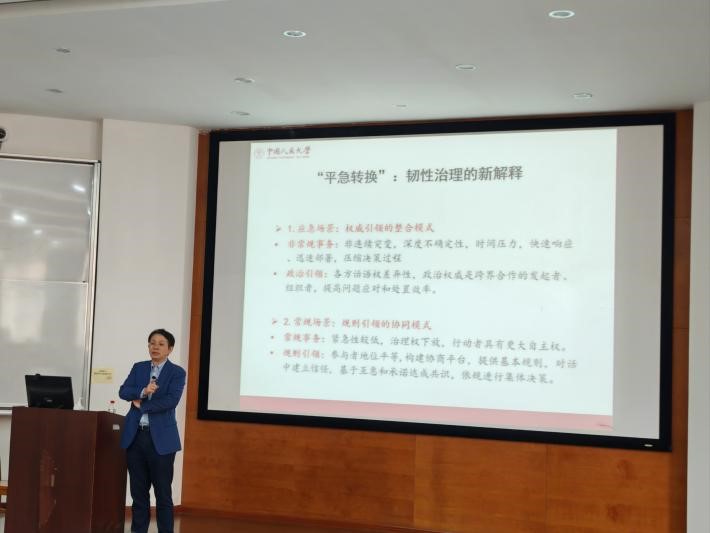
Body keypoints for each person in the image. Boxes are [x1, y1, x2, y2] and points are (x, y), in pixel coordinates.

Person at [119, 328, 186, 533]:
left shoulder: (177, 372)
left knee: (163, 494)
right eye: (152, 343)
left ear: (170, 349)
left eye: (161, 344)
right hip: (135, 437)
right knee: (138, 494)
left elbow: (171, 401)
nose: (155, 347)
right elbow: (124, 391)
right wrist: (143, 391)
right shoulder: (139, 367)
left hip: (161, 441)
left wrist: (142, 405)